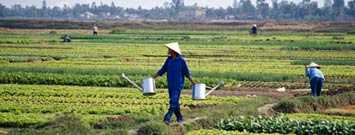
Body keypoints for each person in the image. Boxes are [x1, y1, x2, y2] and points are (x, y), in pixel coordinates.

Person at [153, 42, 195, 125]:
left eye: (169, 49)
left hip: (178, 84)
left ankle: (167, 118)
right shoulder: (168, 60)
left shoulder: (181, 61)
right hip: (170, 84)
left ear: (173, 50)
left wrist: (193, 82)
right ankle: (180, 118)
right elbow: (162, 70)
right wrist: (153, 78)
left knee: (173, 101)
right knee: (174, 102)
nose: (168, 50)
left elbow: (186, 73)